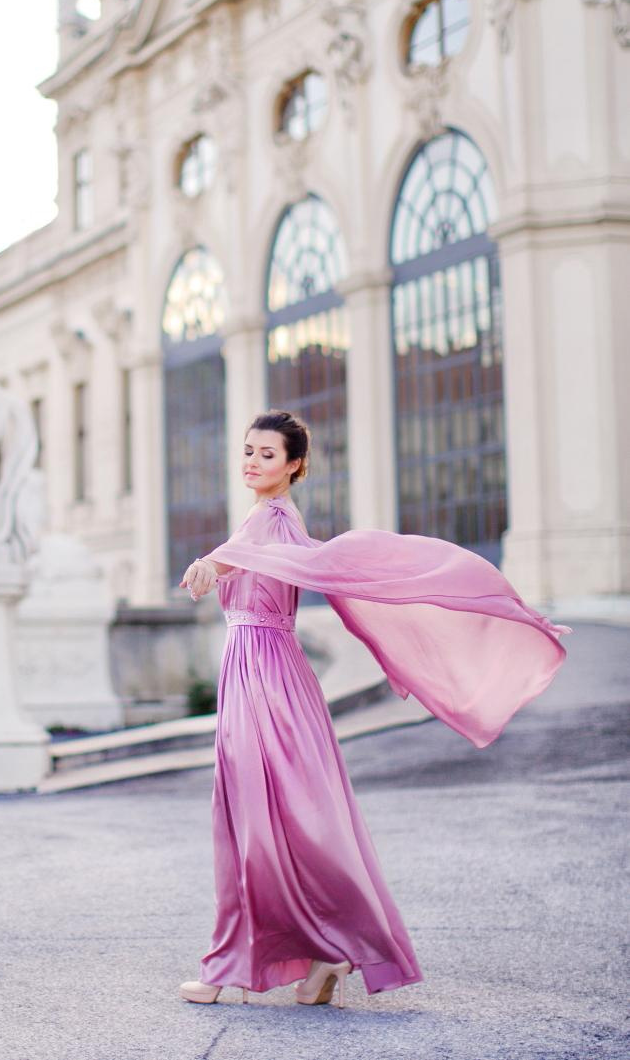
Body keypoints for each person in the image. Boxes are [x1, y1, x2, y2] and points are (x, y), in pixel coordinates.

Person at [177, 410, 572, 1008]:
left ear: (295, 465)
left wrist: (214, 564)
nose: (253, 462)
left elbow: (253, 558)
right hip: (258, 673)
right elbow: (252, 554)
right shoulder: (262, 518)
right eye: (248, 451)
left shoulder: (276, 520)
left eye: (266, 454)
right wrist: (221, 559)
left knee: (264, 821)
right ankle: (323, 957)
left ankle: (239, 963)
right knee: (274, 818)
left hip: (266, 680)